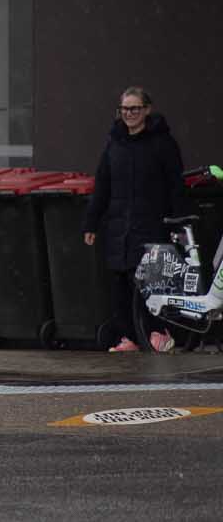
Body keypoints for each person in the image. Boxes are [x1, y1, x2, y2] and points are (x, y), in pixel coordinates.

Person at [83, 86, 184, 353]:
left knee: (151, 283)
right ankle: (129, 336)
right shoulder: (114, 144)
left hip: (151, 224)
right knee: (120, 283)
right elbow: (102, 185)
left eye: (135, 108)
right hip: (119, 226)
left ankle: (157, 333)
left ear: (147, 110)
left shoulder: (162, 143)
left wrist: (178, 220)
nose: (129, 114)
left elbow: (175, 184)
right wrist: (91, 222)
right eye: (125, 109)